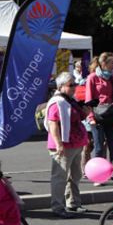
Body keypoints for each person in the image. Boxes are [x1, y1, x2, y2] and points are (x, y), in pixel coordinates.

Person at [45, 72, 90, 217]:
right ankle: (58, 207)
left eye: (74, 84)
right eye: (71, 85)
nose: (74, 87)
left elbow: (79, 117)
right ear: (61, 86)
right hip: (63, 145)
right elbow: (53, 125)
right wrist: (59, 144)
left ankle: (73, 203)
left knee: (75, 175)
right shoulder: (57, 102)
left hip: (76, 143)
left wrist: (87, 110)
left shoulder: (70, 100)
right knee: (60, 177)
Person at [86, 51, 113, 172]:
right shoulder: (92, 77)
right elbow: (88, 99)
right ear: (103, 63)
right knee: (98, 147)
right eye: (111, 62)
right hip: (97, 116)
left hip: (111, 115)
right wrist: (91, 117)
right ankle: (98, 174)